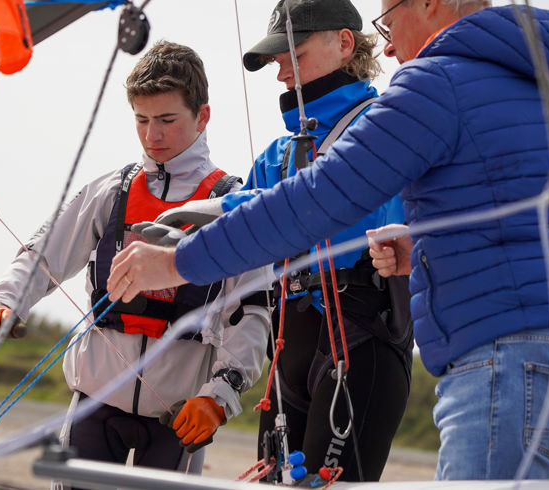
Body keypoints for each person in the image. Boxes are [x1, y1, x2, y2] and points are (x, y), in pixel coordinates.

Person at [108, 0, 549, 481]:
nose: (386, 50)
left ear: (429, 3)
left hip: (495, 366)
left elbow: (320, 201)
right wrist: (424, 248)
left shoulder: (436, 83)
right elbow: (541, 225)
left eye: (387, 23)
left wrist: (175, 264)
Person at [0, 41, 269, 475]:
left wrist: (218, 397)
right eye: (142, 120)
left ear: (202, 116)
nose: (153, 135)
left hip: (180, 416)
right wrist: (5, 300)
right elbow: (43, 255)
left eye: (167, 120)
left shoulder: (233, 207)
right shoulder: (111, 192)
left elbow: (251, 315)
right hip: (94, 403)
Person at [237, 0, 412, 482]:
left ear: (344, 43)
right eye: (277, 62)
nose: (281, 76)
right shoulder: (277, 154)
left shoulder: (385, 127)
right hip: (288, 352)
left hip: (362, 343)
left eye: (294, 55)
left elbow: (397, 225)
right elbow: (237, 234)